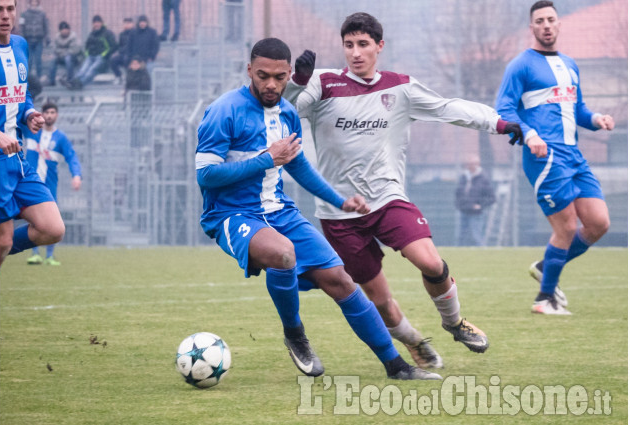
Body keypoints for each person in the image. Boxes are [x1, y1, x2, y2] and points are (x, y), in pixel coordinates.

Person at [196, 37, 441, 380]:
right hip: (231, 214)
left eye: (280, 77)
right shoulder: (224, 111)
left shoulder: (287, 113)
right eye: (263, 75)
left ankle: (396, 366)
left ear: (289, 75)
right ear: (249, 70)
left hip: (279, 211)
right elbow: (206, 175)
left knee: (341, 280)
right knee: (283, 253)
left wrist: (339, 199)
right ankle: (295, 334)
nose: (271, 84)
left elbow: (298, 167)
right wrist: (267, 159)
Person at [285, 12, 524, 363]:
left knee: (432, 263)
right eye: (349, 45)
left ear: (380, 46)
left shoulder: (400, 87)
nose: (355, 52)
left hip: (387, 200)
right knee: (380, 301)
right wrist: (297, 81)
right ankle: (414, 342)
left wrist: (498, 123)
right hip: (339, 214)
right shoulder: (323, 84)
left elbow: (449, 108)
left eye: (363, 44)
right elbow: (286, 111)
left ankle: (454, 322)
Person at [495, 1, 615, 315]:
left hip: (573, 154)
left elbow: (578, 111)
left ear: (558, 24)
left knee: (599, 222)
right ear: (531, 27)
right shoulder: (520, 65)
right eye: (540, 21)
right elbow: (504, 110)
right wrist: (530, 134)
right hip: (545, 156)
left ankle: (544, 265)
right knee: (566, 227)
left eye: (551, 20)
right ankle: (544, 299)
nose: (546, 25)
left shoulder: (570, 65)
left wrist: (597, 118)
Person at [0, 0, 65, 274]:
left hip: (18, 158)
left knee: (52, 228)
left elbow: (21, 95)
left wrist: (30, 115)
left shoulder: (21, 45)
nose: (5, 15)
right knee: (2, 240)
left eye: (10, 9)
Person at [23, 102, 81, 266]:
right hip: (30, 183)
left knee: (52, 218)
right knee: (33, 218)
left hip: (50, 185)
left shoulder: (61, 138)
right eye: (47, 112)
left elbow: (71, 157)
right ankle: (35, 253)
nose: (49, 115)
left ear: (56, 115)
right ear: (42, 114)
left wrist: (76, 175)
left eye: (52, 112)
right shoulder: (32, 130)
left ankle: (49, 255)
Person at [65, 15, 117, 90]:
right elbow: (87, 46)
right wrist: (87, 54)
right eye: (95, 22)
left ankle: (80, 84)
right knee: (83, 70)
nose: (96, 24)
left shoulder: (107, 33)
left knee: (92, 69)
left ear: (102, 23)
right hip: (91, 56)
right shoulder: (92, 34)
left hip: (102, 58)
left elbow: (114, 46)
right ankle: (72, 82)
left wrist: (104, 55)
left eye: (98, 22)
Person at [455, 154, 496, 246]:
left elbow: (492, 197)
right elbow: (458, 193)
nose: (471, 165)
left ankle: (482, 254)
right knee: (460, 237)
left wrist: (480, 205)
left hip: (476, 213)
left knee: (476, 236)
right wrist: (459, 205)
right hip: (463, 210)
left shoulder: (483, 178)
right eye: (469, 164)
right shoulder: (463, 177)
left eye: (473, 163)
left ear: (478, 164)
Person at [18, 0, 48, 78]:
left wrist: (47, 37)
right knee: (29, 60)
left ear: (38, 3)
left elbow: (46, 26)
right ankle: (27, 78)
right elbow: (21, 27)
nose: (34, 4)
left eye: (35, 2)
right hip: (28, 40)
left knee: (38, 60)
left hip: (39, 40)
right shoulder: (24, 14)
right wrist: (22, 38)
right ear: (30, 3)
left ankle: (38, 78)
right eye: (32, 2)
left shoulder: (42, 14)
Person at [48, 21, 82, 86]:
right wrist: (63, 52)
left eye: (66, 30)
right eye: (62, 30)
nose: (64, 31)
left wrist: (62, 52)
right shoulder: (57, 38)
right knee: (53, 59)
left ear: (69, 30)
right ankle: (51, 81)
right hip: (61, 57)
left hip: (73, 58)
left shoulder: (73, 37)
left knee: (68, 58)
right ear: (60, 31)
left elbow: (73, 50)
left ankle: (70, 80)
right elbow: (55, 49)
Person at [109, 17, 134, 85]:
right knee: (113, 60)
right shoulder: (121, 34)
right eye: (125, 23)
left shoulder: (135, 33)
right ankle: (118, 76)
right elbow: (120, 46)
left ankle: (128, 78)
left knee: (126, 59)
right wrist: (116, 52)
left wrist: (122, 50)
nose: (126, 25)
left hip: (132, 54)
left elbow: (131, 46)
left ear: (132, 24)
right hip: (122, 54)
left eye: (128, 23)